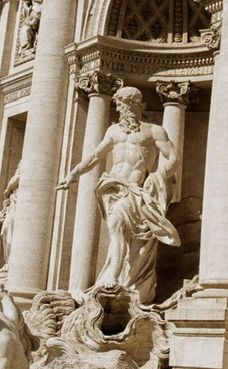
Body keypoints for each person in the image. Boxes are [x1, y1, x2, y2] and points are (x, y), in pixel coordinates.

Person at [56, 86, 179, 304]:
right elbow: (95, 156)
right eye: (120, 104)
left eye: (126, 104)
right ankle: (113, 276)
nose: (122, 108)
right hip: (113, 186)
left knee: (121, 228)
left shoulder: (153, 130)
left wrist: (157, 176)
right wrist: (73, 174)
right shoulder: (113, 131)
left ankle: (119, 278)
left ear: (138, 105)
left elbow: (173, 158)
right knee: (116, 227)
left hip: (135, 190)